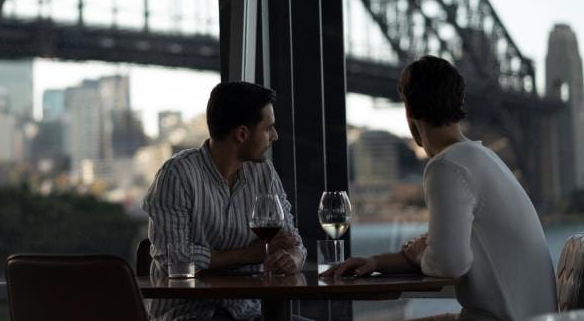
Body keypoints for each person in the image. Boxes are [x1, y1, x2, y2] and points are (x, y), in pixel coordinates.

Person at [321, 55, 556, 321]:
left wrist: (425, 251)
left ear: (409, 111)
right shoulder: (481, 157)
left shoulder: (447, 167)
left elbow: (449, 263)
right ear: (459, 102)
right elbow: (442, 250)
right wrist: (376, 262)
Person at [142, 81, 306, 321]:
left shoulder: (264, 173)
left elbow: (294, 242)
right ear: (242, 134)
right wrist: (253, 254)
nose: (275, 136)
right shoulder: (177, 175)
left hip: (250, 311)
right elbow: (176, 261)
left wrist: (291, 258)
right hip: (191, 313)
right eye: (268, 128)